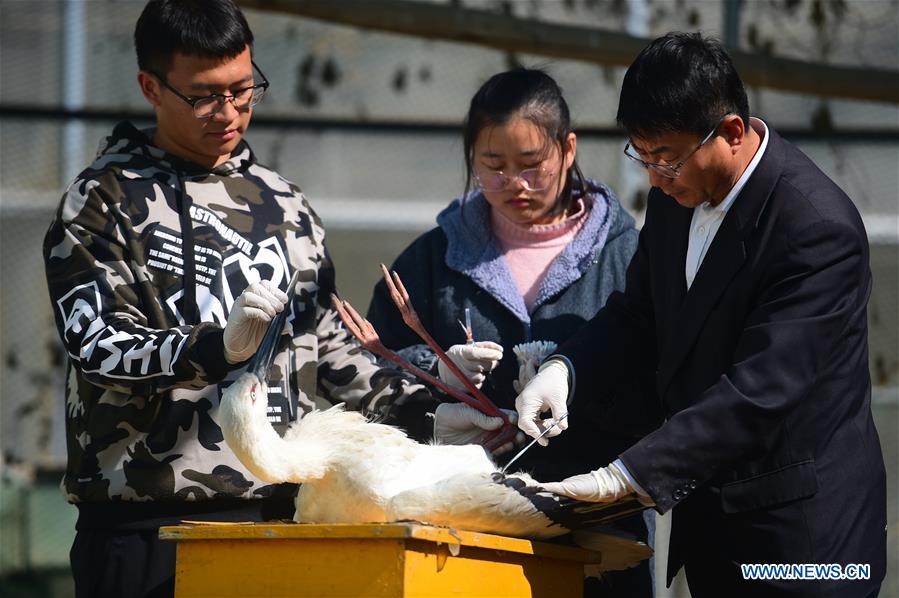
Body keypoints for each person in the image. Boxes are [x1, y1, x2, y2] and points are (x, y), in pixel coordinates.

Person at [42, 2, 436, 596]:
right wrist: (212, 349)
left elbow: (327, 350)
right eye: (204, 96)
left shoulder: (285, 204)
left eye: (244, 89)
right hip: (147, 521)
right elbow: (98, 345)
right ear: (150, 86)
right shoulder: (102, 201)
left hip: (280, 516)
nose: (228, 113)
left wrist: (431, 405)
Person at [515, 33, 887, 597]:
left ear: (732, 133)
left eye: (667, 158)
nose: (656, 177)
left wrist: (627, 475)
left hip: (807, 544)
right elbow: (640, 313)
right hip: (719, 529)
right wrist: (567, 368)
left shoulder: (815, 230)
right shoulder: (678, 193)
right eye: (643, 157)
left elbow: (758, 393)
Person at [367, 69, 656, 597]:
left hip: (599, 526)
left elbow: (664, 380)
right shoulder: (431, 261)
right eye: (493, 167)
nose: (514, 185)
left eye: (531, 165)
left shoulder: (627, 256)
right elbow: (367, 371)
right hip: (461, 526)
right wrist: (434, 372)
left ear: (568, 150)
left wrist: (580, 394)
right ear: (470, 157)